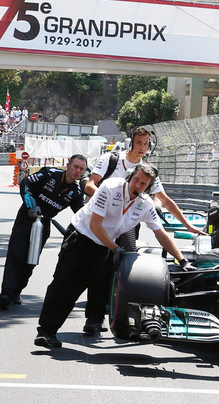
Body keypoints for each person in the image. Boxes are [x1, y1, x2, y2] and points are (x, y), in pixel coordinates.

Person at [35, 163, 187, 349]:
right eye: (136, 180)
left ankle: (74, 325)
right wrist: (115, 248)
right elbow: (95, 226)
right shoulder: (109, 187)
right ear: (130, 176)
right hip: (81, 236)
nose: (137, 185)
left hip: (103, 245)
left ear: (148, 187)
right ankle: (45, 331)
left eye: (143, 184)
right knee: (63, 283)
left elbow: (161, 233)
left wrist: (182, 259)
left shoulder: (145, 204)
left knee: (85, 287)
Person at [81, 127, 202, 334]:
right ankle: (94, 318)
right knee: (99, 269)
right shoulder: (111, 159)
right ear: (131, 143)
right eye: (139, 143)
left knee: (125, 267)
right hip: (102, 219)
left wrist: (188, 226)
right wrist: (110, 201)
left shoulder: (148, 172)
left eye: (146, 144)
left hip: (126, 224)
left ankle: (121, 313)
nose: (142, 147)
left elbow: (165, 201)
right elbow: (90, 185)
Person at [0, 154, 88, 310]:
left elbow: (82, 214)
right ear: (68, 165)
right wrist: (30, 203)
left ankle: (16, 291)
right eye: (75, 167)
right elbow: (26, 182)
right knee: (15, 255)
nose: (77, 171)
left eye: (81, 169)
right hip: (26, 218)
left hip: (43, 224)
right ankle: (6, 294)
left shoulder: (76, 191)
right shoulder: (50, 173)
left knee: (30, 261)